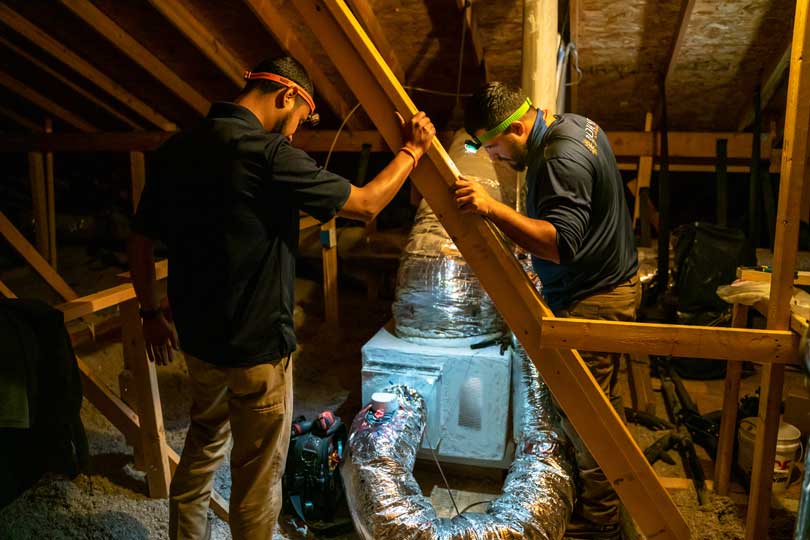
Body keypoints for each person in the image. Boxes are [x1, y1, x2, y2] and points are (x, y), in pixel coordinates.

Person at [127, 56, 435, 540]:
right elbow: (367, 203)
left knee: (203, 446)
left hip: (199, 340)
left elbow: (140, 241)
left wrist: (150, 312)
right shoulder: (267, 154)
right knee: (257, 478)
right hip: (258, 350)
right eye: (302, 117)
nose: (296, 131)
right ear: (287, 95)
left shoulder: (176, 149)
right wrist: (413, 152)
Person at [453, 82, 639, 540]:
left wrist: (491, 209)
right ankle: (606, 497)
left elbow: (560, 245)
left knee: (586, 419)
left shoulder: (558, 160)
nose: (493, 157)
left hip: (593, 300)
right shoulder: (576, 125)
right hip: (604, 285)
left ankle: (600, 524)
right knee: (595, 410)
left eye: (493, 147)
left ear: (517, 127)